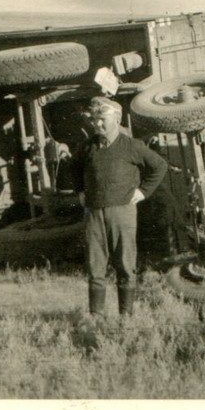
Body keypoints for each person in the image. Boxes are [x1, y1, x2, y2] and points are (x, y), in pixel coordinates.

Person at [73, 97, 167, 318]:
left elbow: (159, 166)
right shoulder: (87, 148)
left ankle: (126, 317)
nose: (96, 124)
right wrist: (80, 191)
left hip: (122, 212)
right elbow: (74, 168)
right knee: (95, 267)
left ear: (116, 118)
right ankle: (96, 317)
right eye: (94, 119)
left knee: (125, 265)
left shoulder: (132, 146)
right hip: (94, 213)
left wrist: (143, 192)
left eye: (101, 119)